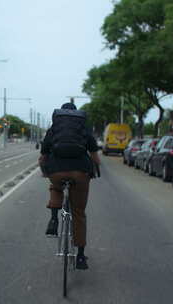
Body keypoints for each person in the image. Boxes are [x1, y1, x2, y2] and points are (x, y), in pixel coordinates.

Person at [39, 102, 101, 270]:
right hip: (80, 172)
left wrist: (45, 172)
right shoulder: (84, 129)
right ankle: (80, 256)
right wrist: (96, 170)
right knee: (79, 213)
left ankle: (53, 217)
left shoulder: (54, 129)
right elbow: (95, 156)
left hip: (56, 171)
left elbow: (43, 155)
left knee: (56, 185)